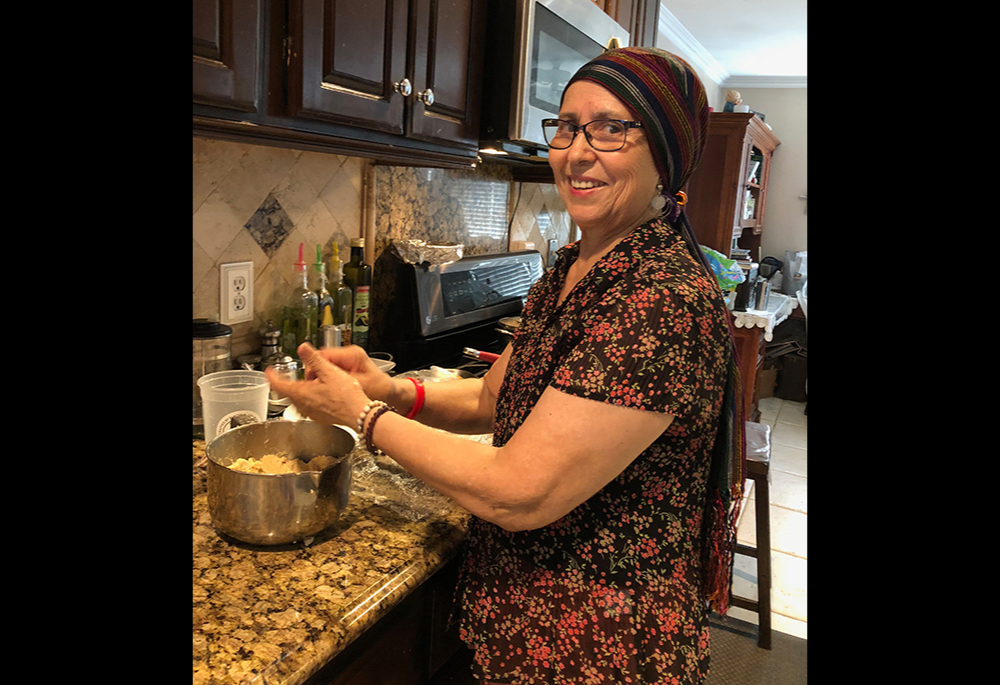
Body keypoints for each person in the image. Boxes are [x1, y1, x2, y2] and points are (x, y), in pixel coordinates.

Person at [267, 46, 746, 685]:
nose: (577, 151)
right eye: (568, 126)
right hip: (523, 618)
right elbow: (493, 399)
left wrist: (364, 415)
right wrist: (390, 388)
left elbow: (521, 490)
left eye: (610, 129)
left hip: (600, 644)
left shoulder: (660, 299)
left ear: (665, 155)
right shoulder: (575, 267)